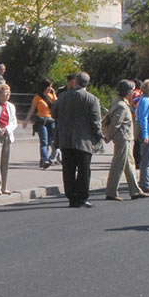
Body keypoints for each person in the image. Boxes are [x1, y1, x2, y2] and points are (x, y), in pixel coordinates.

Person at [54, 71, 104, 208]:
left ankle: (71, 197)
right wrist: (99, 136)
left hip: (66, 139)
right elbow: (95, 121)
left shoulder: (63, 97)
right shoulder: (91, 99)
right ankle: (82, 197)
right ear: (87, 83)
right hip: (84, 140)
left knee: (68, 170)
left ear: (75, 82)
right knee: (84, 170)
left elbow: (54, 113)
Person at [104, 79, 148, 200]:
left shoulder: (120, 102)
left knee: (129, 164)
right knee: (118, 164)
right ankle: (111, 192)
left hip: (126, 137)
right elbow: (115, 124)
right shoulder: (121, 106)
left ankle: (135, 190)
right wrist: (108, 137)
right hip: (122, 138)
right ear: (128, 92)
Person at [31, 83, 57, 168]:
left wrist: (54, 94)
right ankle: (44, 160)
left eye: (51, 86)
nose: (50, 88)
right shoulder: (37, 97)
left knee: (52, 141)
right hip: (41, 121)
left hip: (51, 121)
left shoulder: (52, 96)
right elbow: (32, 109)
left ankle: (51, 158)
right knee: (44, 142)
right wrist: (27, 119)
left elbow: (57, 105)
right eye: (48, 86)